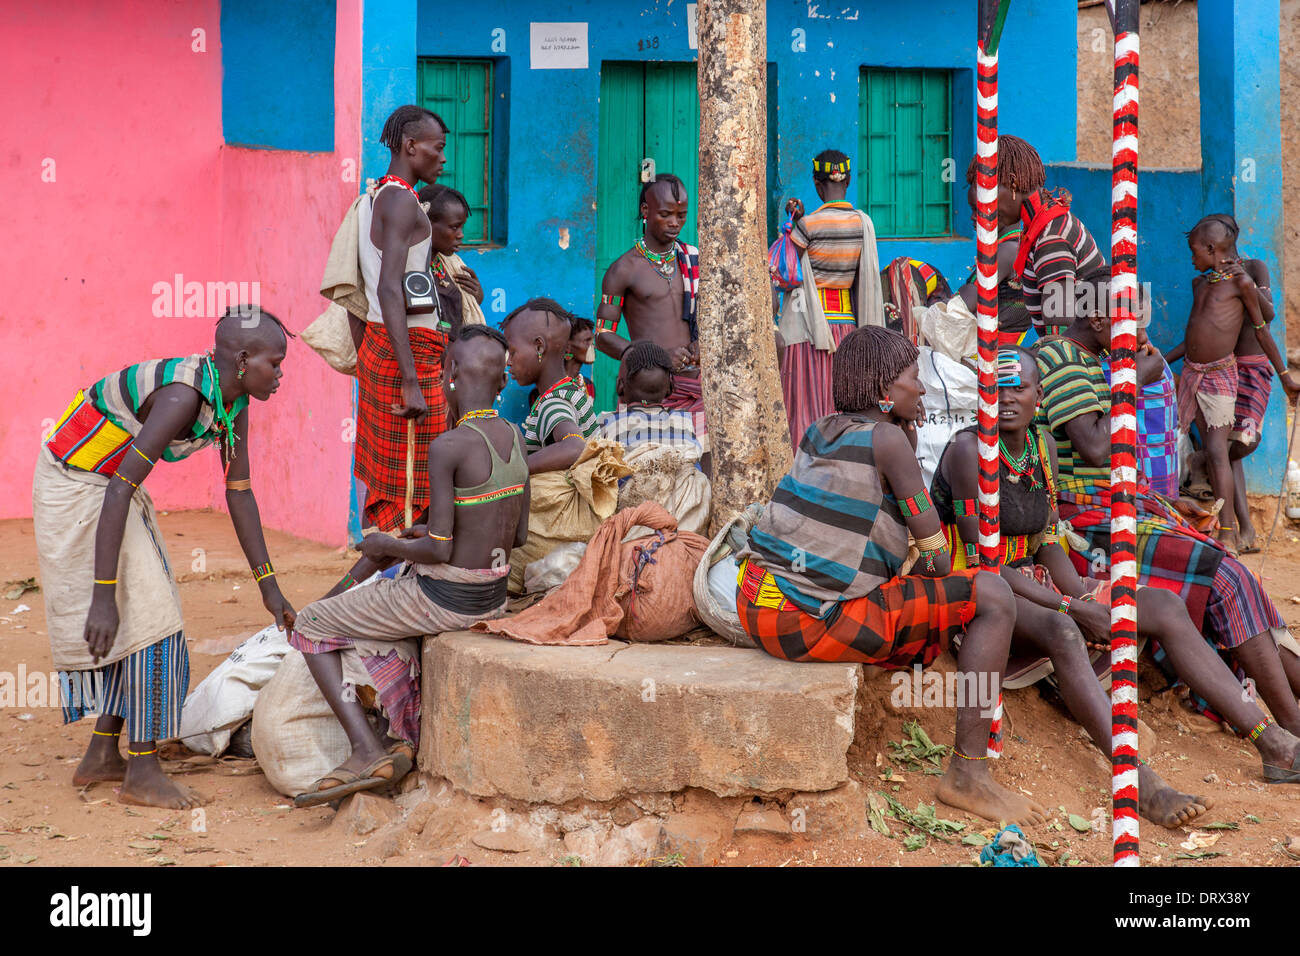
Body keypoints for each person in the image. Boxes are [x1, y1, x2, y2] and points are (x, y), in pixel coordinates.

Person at [935, 348, 1298, 801]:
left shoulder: (1040, 448)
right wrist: (1073, 608)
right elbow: (983, 564)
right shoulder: (970, 451)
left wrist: (1085, 597)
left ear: (1039, 396)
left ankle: (1273, 743)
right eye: (994, 389)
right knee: (1065, 631)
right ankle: (1141, 784)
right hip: (980, 594)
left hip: (1033, 581)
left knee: (1163, 605)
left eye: (1018, 388)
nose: (1005, 399)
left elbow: (1047, 541)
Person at [735, 325, 1046, 825]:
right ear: (885, 390)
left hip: (756, 604)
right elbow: (938, 559)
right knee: (991, 593)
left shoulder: (822, 428)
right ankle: (968, 775)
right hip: (805, 621)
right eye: (912, 378)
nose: (921, 389)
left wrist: (907, 435)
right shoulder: (887, 440)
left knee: (918, 594)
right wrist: (907, 441)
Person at [33, 307, 296, 809]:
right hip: (78, 486)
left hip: (110, 487)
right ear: (242, 360)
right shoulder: (183, 397)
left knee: (145, 616)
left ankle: (102, 755)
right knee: (157, 626)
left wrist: (270, 587)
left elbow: (239, 492)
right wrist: (103, 596)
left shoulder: (233, 399)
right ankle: (143, 770)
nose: (281, 374)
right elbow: (119, 491)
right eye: (275, 363)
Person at [1036, 280, 1300, 769]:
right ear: (1097, 321)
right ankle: (1289, 738)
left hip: (1121, 507)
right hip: (1085, 520)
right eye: (1127, 323)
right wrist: (1134, 377)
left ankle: (1291, 728)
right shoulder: (1061, 360)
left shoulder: (1090, 359)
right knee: (1223, 577)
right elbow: (1095, 446)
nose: (1137, 333)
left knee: (1238, 579)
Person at [290, 326, 529, 808]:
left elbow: (440, 550)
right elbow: (516, 537)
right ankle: (400, 736)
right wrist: (428, 538)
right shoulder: (516, 436)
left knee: (312, 623)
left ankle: (363, 749)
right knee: (378, 625)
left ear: (450, 374)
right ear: (502, 381)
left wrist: (387, 543)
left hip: (446, 600)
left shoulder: (448, 444)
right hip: (493, 595)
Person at [1165, 214, 1300, 552]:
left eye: (1194, 251)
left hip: (1221, 375)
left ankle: (1228, 532)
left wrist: (1285, 377)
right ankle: (1220, 526)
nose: (1191, 258)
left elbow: (1263, 327)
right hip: (1194, 375)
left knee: (1217, 450)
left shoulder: (1243, 282)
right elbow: (1191, 338)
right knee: (1202, 447)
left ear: (1212, 249)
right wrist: (1162, 361)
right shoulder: (1202, 285)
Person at [355, 104, 450, 532]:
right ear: (411, 146)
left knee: (404, 484)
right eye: (438, 148)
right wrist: (411, 379)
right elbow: (388, 287)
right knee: (414, 488)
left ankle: (394, 580)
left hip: (390, 345)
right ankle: (378, 586)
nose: (443, 158)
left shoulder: (378, 195)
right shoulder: (400, 202)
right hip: (405, 352)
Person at [595, 175, 706, 456]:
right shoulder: (624, 270)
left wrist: (702, 345)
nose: (675, 223)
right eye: (666, 214)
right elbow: (603, 335)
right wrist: (653, 357)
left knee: (703, 465)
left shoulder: (694, 261)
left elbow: (710, 321)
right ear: (646, 211)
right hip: (649, 390)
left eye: (681, 215)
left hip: (698, 384)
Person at [778, 150, 884, 445]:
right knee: (839, 402)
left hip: (809, 328)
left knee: (806, 405)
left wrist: (792, 224)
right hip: (847, 326)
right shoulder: (862, 223)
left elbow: (786, 269)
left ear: (816, 184)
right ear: (847, 181)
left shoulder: (809, 225)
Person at [986, 137, 1106, 334]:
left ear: (1013, 183)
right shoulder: (1046, 223)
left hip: (1093, 360)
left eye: (988, 191)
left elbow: (1060, 332)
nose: (985, 207)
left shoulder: (1051, 238)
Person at [504, 298, 599, 474]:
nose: (508, 362)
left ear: (539, 347)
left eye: (512, 352)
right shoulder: (570, 391)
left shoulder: (553, 403)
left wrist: (511, 472)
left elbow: (573, 446)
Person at [955, 140, 1035, 347]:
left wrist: (939, 308)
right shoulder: (1013, 242)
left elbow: (968, 300)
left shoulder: (1008, 249)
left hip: (995, 354)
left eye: (980, 209)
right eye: (972, 210)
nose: (974, 218)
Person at [596, 340, 702, 453]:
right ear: (670, 388)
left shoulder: (606, 421)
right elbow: (694, 456)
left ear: (619, 386)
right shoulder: (683, 420)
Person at [416, 182, 487, 337]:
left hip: (455, 358)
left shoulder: (449, 265)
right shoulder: (411, 267)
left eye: (462, 227)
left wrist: (475, 298)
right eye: (454, 227)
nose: (461, 234)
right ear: (426, 223)